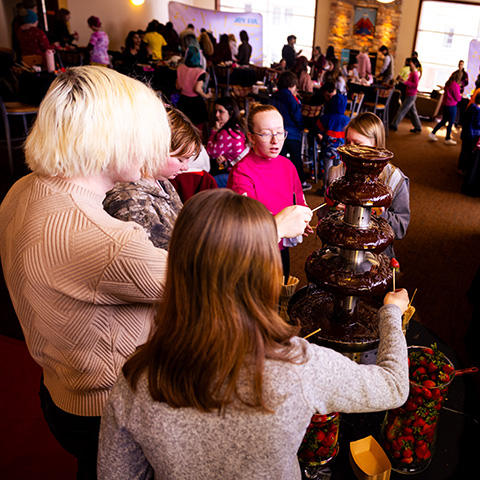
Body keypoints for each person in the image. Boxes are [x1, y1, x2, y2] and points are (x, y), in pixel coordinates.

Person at [96, 188, 409, 480]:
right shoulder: (298, 366)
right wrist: (391, 313)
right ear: (267, 269)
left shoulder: (136, 379)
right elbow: (394, 386)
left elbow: (116, 474)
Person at [0, 66, 171, 480]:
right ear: (112, 138)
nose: (152, 153)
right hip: (112, 409)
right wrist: (271, 227)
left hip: (61, 390)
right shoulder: (108, 240)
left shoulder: (23, 189)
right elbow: (211, 279)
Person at [227, 104, 312, 277]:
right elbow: (249, 220)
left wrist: (302, 218)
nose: (275, 140)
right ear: (251, 137)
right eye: (266, 134)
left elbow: (298, 198)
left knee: (282, 287)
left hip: (281, 246)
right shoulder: (242, 173)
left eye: (280, 133)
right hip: (255, 249)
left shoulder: (287, 165)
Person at [103, 106, 201, 250]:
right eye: (180, 160)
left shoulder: (162, 181)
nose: (185, 167)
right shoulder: (130, 200)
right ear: (155, 150)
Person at [327, 112, 410, 260]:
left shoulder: (395, 180)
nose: (350, 150)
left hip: (376, 257)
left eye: (358, 144)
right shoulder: (336, 173)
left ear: (376, 146)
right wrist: (333, 208)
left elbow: (400, 227)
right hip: (339, 252)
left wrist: (374, 212)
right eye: (347, 143)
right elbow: (324, 214)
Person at [269, 71, 310, 190]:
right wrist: (301, 127)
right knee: (296, 159)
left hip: (278, 133)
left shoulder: (274, 96)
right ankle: (301, 182)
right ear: (292, 85)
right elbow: (297, 116)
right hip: (292, 134)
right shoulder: (291, 99)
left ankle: (280, 181)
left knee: (279, 159)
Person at [206, 96, 249, 188]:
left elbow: (209, 153)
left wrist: (213, 131)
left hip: (235, 175)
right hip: (244, 171)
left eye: (221, 111)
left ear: (231, 112)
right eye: (216, 111)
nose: (217, 115)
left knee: (207, 183)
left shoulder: (226, 133)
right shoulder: (239, 127)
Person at [316, 92, 350, 194]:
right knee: (339, 169)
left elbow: (318, 128)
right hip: (341, 150)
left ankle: (325, 188)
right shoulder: (347, 120)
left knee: (328, 168)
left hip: (328, 149)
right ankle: (337, 189)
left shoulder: (325, 117)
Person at [175, 45, 212, 127]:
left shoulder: (180, 68)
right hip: (196, 103)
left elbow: (178, 87)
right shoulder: (200, 71)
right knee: (198, 128)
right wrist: (206, 96)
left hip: (183, 101)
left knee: (183, 126)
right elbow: (197, 89)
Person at [457, 92, 480, 176]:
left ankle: (459, 167)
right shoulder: (479, 112)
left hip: (466, 132)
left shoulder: (471, 107)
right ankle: (464, 169)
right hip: (472, 134)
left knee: (463, 151)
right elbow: (478, 124)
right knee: (469, 152)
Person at [429, 70, 463, 144]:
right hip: (452, 105)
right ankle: (447, 138)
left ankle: (433, 133)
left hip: (445, 105)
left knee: (444, 121)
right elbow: (458, 98)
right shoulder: (455, 85)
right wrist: (461, 96)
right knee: (450, 123)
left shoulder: (448, 83)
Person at [389, 58, 422, 133]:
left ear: (414, 63)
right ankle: (418, 127)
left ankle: (394, 124)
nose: (409, 63)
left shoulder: (415, 74)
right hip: (410, 93)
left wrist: (405, 83)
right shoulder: (412, 73)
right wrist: (404, 81)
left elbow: (415, 85)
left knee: (402, 109)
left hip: (411, 94)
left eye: (410, 62)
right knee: (413, 111)